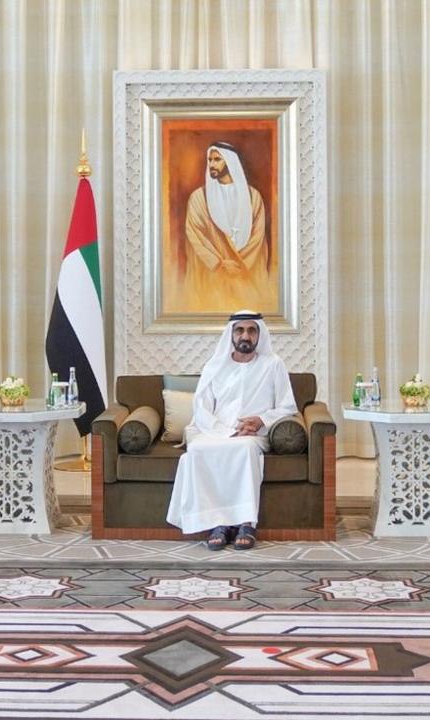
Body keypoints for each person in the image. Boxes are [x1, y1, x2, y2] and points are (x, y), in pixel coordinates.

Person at [166, 310, 297, 550]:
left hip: (254, 435)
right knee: (197, 451)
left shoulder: (273, 365)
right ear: (231, 335)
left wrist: (261, 420)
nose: (245, 335)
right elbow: (202, 409)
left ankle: (246, 522)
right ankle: (219, 523)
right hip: (216, 431)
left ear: (259, 334)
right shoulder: (214, 366)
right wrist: (225, 431)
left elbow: (288, 406)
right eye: (240, 330)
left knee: (244, 449)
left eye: (251, 330)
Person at [179, 142, 275, 313]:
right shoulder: (199, 198)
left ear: (230, 162)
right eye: (209, 160)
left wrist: (240, 265)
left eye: (217, 159)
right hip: (212, 279)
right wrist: (220, 264)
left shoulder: (253, 197)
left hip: (245, 277)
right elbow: (194, 235)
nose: (211, 164)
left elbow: (258, 237)